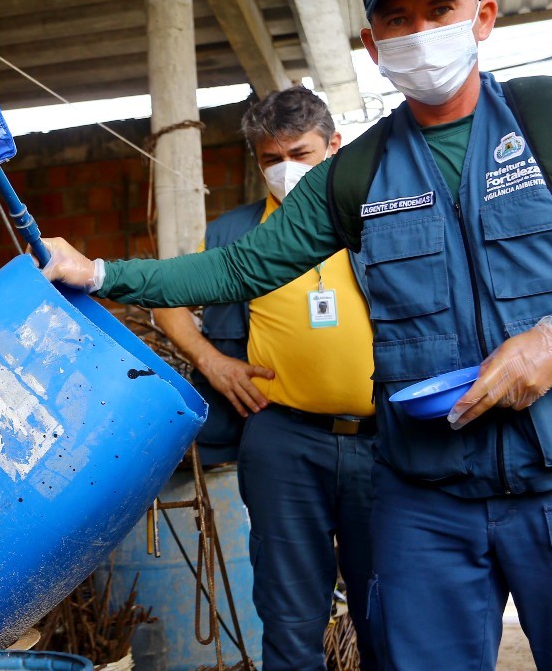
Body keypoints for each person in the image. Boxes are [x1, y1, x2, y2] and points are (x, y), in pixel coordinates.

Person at [39, 0, 552, 669]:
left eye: (439, 8)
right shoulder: (355, 176)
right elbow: (238, 271)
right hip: (428, 500)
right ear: (372, 43)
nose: (420, 32)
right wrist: (100, 272)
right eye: (398, 19)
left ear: (482, 17)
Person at [152, 87, 377, 671]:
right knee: (288, 611)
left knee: (392, 606)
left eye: (300, 154)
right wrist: (212, 361)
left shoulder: (375, 219)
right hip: (282, 440)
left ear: (335, 145)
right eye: (269, 159)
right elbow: (167, 304)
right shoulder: (236, 234)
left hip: (385, 440)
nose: (286, 170)